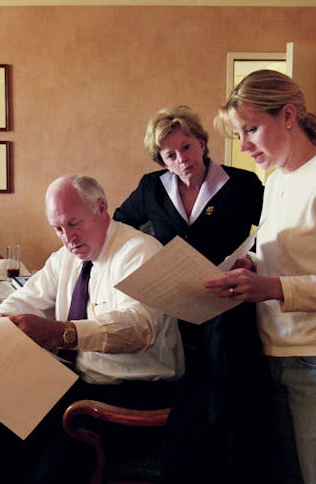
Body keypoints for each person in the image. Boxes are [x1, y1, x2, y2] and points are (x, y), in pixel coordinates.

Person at [206, 69, 316, 483]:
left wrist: (272, 287)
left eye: (252, 129)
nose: (245, 145)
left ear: (288, 116)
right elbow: (297, 256)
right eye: (239, 134)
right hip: (277, 353)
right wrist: (254, 265)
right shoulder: (277, 181)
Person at [0, 175, 184, 483]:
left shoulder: (139, 252)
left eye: (74, 223)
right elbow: (25, 299)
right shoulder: (65, 258)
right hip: (81, 383)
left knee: (49, 463)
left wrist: (61, 332)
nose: (68, 237)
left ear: (101, 210)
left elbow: (139, 328)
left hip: (136, 393)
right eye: (58, 228)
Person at [113, 106, 268, 482]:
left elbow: (275, 228)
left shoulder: (242, 183)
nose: (182, 160)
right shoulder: (151, 187)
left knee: (224, 352)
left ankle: (223, 450)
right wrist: (141, 259)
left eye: (186, 147)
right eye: (170, 154)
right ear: (160, 159)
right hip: (173, 296)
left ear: (202, 142)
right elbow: (119, 225)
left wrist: (252, 259)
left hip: (228, 296)